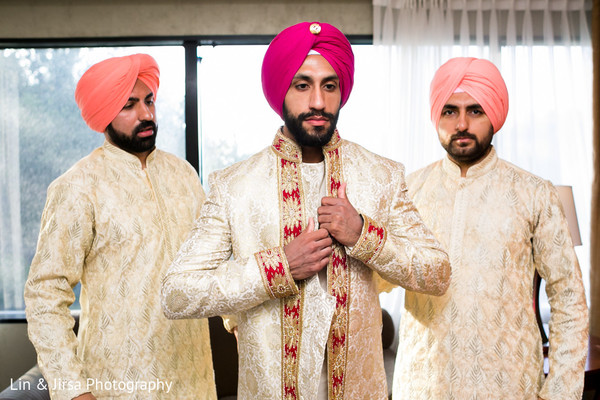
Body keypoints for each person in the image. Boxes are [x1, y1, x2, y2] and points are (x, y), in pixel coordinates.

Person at [161, 22, 451, 400]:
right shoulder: (234, 186)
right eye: (302, 85)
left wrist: (363, 234)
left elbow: (437, 272)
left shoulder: (382, 176)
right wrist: (279, 266)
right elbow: (176, 293)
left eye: (329, 86)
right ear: (280, 91)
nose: (318, 101)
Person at [393, 57, 589, 399]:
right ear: (436, 115)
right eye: (450, 111)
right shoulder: (407, 192)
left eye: (476, 111)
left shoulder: (533, 193)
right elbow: (373, 278)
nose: (462, 123)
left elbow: (569, 298)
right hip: (422, 388)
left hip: (509, 388)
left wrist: (559, 393)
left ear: (494, 115)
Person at [24, 54, 216, 400]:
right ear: (104, 115)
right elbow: (44, 295)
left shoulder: (184, 175)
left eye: (149, 101)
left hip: (194, 378)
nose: (146, 114)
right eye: (128, 105)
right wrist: (72, 390)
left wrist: (237, 322)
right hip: (118, 385)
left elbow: (213, 260)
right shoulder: (78, 186)